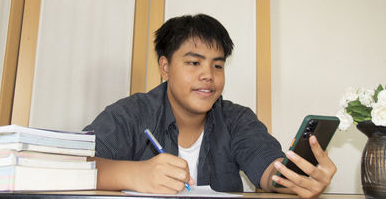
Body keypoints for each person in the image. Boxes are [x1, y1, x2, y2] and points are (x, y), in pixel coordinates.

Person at [84, 14, 336, 198]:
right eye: (194, 63)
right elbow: (72, 165)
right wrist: (133, 174)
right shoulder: (132, 113)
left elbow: (270, 169)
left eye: (217, 65)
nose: (208, 75)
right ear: (165, 67)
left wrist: (296, 179)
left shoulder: (236, 120)